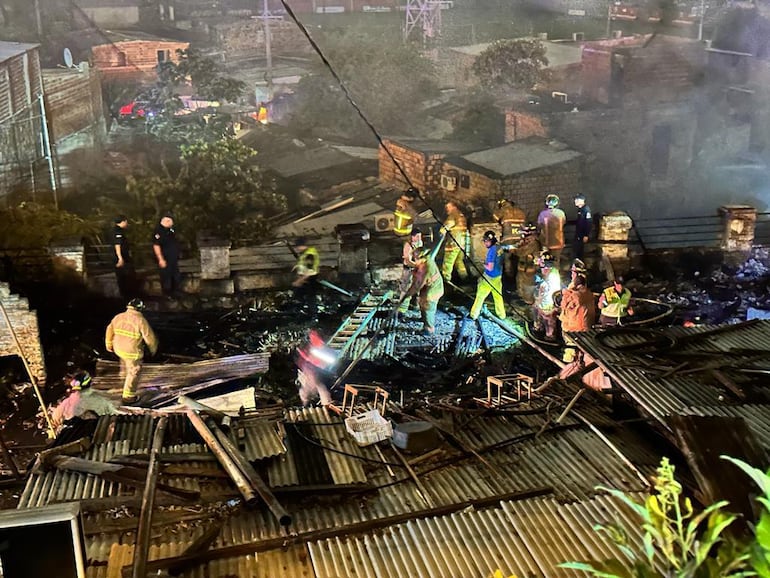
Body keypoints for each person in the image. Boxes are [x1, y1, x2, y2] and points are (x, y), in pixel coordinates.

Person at [105, 298, 159, 405]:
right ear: (139, 309)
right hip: (131, 351)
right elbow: (149, 337)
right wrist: (153, 349)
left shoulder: (119, 317)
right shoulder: (140, 320)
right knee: (134, 371)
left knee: (124, 364)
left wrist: (109, 344)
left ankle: (122, 380)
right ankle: (128, 397)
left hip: (118, 348)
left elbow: (109, 329)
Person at [50, 371, 117, 433]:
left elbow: (55, 420)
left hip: (71, 437)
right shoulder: (101, 401)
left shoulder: (65, 404)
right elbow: (112, 418)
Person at [405, 248, 445, 335]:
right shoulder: (426, 260)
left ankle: (429, 329)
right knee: (422, 303)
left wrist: (407, 294)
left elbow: (417, 286)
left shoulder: (426, 268)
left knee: (428, 308)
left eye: (415, 258)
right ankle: (424, 319)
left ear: (420, 258)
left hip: (434, 291)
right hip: (428, 288)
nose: (414, 260)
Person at [469, 231, 506, 320]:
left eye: (486, 241)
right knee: (498, 296)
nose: (485, 243)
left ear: (490, 241)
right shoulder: (499, 247)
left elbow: (489, 267)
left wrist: (482, 263)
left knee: (480, 295)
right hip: (498, 276)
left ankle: (474, 314)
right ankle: (502, 315)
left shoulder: (491, 251)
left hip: (490, 277)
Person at [493, 199, 526, 291]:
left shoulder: (503, 210)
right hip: (520, 240)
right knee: (518, 260)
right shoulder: (520, 211)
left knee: (507, 260)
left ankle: (509, 282)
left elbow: (495, 217)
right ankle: (517, 282)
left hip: (508, 240)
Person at [296, 330, 333, 407]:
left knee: (319, 387)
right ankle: (325, 404)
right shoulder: (311, 383)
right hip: (310, 370)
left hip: (310, 369)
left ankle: (325, 403)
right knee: (319, 387)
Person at [533, 250, 562, 340]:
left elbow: (543, 294)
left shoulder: (550, 278)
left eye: (542, 264)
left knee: (548, 319)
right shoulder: (553, 271)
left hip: (548, 304)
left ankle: (550, 336)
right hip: (546, 302)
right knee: (536, 309)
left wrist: (538, 300)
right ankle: (539, 327)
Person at [152, 213, 181, 297]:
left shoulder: (170, 230)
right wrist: (160, 259)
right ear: (167, 221)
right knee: (166, 277)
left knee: (175, 275)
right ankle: (167, 294)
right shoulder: (158, 231)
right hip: (165, 257)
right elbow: (156, 245)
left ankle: (175, 292)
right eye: (171, 221)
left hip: (173, 258)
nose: (173, 223)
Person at [397, 228, 423, 320]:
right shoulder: (407, 245)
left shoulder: (419, 243)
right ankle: (401, 311)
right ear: (412, 237)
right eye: (417, 236)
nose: (419, 238)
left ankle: (415, 305)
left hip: (417, 270)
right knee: (406, 289)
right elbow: (407, 260)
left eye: (420, 236)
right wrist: (416, 264)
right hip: (408, 270)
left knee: (418, 287)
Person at [441, 200, 469, 283]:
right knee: (459, 261)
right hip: (462, 244)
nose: (447, 209)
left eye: (448, 207)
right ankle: (465, 278)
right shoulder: (461, 215)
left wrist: (441, 231)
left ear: (454, 206)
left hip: (453, 244)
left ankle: (446, 280)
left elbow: (445, 228)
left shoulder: (453, 215)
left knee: (448, 263)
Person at [514, 224, 541, 305]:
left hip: (529, 271)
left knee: (528, 288)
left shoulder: (533, 243)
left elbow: (521, 252)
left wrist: (515, 249)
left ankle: (530, 303)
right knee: (521, 286)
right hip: (523, 269)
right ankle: (524, 300)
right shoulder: (526, 242)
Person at [292, 237, 320, 314]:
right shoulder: (305, 253)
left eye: (297, 246)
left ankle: (313, 315)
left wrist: (299, 281)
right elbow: (304, 264)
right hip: (306, 278)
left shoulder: (309, 254)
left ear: (301, 245)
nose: (296, 248)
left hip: (310, 279)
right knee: (300, 295)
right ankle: (304, 310)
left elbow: (309, 271)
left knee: (310, 297)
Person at [537, 194, 566, 268]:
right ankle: (556, 274)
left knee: (545, 262)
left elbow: (539, 226)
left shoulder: (542, 214)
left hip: (546, 243)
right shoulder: (561, 213)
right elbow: (563, 223)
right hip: (558, 242)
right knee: (556, 262)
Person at [112, 215, 135, 300]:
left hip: (122, 257)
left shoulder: (117, 230)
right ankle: (126, 296)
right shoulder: (118, 231)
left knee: (124, 277)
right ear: (123, 221)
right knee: (124, 276)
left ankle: (126, 295)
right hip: (122, 257)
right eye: (126, 221)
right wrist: (120, 258)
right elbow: (117, 244)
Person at [573, 194, 593, 260]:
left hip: (582, 234)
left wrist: (586, 235)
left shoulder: (586, 210)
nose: (575, 201)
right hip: (579, 234)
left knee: (580, 251)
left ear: (582, 200)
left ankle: (580, 265)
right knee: (577, 250)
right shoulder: (580, 209)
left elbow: (588, 223)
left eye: (577, 199)